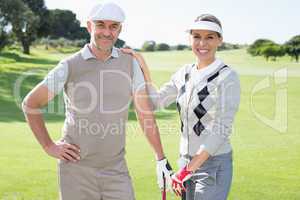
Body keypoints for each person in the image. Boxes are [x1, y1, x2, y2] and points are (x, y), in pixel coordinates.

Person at [22, 2, 173, 200]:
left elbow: (144, 113)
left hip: (116, 170)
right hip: (76, 172)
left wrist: (161, 159)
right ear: (89, 26)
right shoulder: (69, 65)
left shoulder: (130, 63)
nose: (107, 32)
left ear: (120, 29)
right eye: (101, 25)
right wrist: (49, 146)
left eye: (113, 26)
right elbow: (30, 103)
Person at [121, 14, 240, 200]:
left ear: (220, 40)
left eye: (210, 37)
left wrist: (187, 171)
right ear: (190, 39)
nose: (202, 43)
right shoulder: (184, 73)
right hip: (185, 161)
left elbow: (220, 130)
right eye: (197, 36)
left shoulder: (227, 77)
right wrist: (142, 64)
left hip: (212, 165)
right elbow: (156, 102)